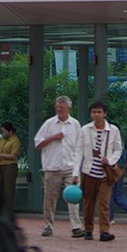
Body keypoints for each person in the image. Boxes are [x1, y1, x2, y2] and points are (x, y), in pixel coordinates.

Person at [75, 101, 125, 243]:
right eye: (94, 112)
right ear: (91, 114)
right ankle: (88, 230)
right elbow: (78, 152)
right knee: (88, 203)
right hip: (88, 171)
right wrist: (75, 173)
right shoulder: (85, 130)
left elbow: (118, 149)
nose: (96, 115)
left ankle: (104, 231)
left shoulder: (113, 130)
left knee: (104, 203)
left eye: (99, 112)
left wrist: (110, 160)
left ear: (105, 113)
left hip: (105, 173)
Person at [33, 95, 83, 239]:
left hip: (70, 167)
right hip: (52, 167)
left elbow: (79, 147)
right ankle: (48, 225)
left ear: (69, 108)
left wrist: (77, 168)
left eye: (62, 107)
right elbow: (37, 144)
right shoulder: (49, 124)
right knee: (50, 198)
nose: (59, 110)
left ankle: (76, 227)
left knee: (73, 197)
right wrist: (52, 137)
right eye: (57, 107)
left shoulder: (75, 124)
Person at [0, 121, 21, 209]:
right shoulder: (2, 140)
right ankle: (0, 207)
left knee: (8, 189)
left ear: (10, 131)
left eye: (4, 131)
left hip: (9, 166)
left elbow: (13, 156)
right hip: (0, 165)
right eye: (2, 132)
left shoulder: (15, 141)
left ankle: (8, 209)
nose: (3, 133)